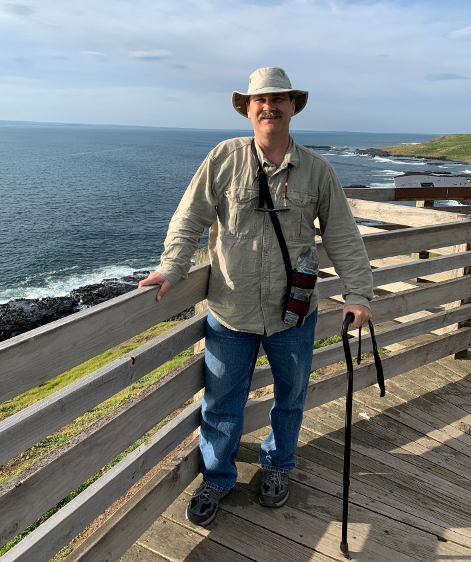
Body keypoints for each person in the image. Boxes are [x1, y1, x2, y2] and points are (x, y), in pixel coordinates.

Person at [139, 67, 373, 526]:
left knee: (290, 397)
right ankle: (218, 477)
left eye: (278, 99)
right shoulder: (223, 158)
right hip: (230, 310)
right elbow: (189, 219)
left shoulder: (318, 171)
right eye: (260, 100)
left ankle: (278, 466)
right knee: (222, 401)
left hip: (294, 316)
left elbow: (343, 236)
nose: (269, 107)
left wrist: (359, 293)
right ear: (248, 109)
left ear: (292, 107)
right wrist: (171, 267)